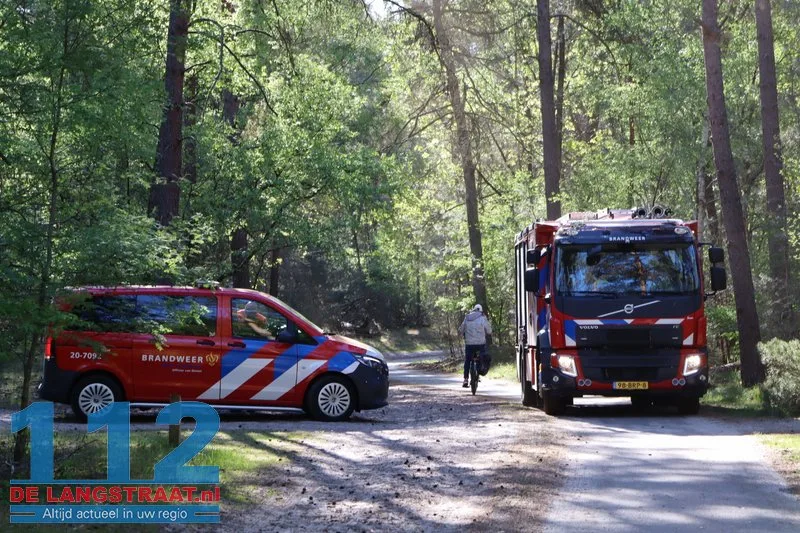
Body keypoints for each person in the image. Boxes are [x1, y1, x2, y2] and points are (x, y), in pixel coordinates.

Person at [457, 304, 492, 388]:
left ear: (473, 310)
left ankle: (465, 379)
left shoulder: (467, 317)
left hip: (469, 344)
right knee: (482, 357)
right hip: (480, 344)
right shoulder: (483, 318)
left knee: (467, 360)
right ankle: (478, 372)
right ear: (481, 310)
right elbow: (489, 330)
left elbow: (461, 330)